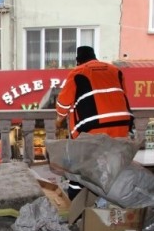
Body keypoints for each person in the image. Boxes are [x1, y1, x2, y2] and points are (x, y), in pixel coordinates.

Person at [55, 46, 134, 200]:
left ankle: (74, 201)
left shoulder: (78, 72)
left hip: (93, 126)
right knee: (111, 164)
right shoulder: (115, 70)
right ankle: (110, 201)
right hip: (121, 123)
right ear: (94, 56)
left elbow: (64, 104)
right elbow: (123, 94)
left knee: (81, 165)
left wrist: (59, 119)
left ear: (78, 60)